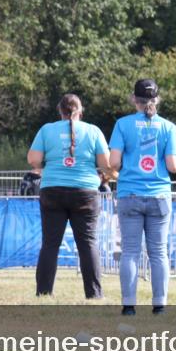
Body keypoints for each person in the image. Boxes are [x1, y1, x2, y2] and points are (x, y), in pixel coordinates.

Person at [109, 79, 176, 316]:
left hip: (129, 193)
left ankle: (129, 305)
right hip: (159, 195)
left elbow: (113, 162)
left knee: (130, 251)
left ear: (133, 99)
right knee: (158, 252)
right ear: (156, 100)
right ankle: (159, 305)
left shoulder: (122, 125)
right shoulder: (168, 127)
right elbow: (172, 165)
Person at [27, 94, 111, 299]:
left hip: (52, 190)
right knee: (88, 243)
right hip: (85, 192)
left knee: (50, 244)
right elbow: (105, 164)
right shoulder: (93, 131)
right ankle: (94, 295)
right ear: (80, 111)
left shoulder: (47, 130)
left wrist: (52, 162)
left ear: (60, 111)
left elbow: (33, 160)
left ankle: (44, 293)